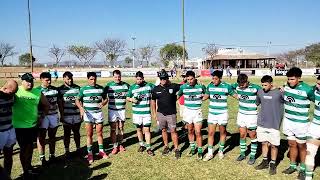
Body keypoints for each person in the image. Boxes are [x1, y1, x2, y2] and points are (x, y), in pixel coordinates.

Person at [12, 73, 49, 179]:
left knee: (30, 148)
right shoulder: (16, 91)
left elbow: (46, 105)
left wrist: (41, 117)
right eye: (27, 81)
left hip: (33, 126)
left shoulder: (38, 92)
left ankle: (29, 167)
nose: (30, 83)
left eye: (31, 81)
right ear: (21, 81)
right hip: (19, 126)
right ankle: (25, 171)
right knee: (24, 149)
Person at [282, 67, 314, 180]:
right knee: (291, 144)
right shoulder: (286, 86)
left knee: (302, 146)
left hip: (301, 123)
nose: (290, 81)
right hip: (288, 121)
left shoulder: (308, 89)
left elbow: (316, 99)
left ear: (299, 78)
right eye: (288, 79)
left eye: (292, 79)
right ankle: (292, 166)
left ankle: (303, 169)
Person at [202, 70, 237, 161]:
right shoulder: (210, 86)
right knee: (211, 133)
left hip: (223, 114)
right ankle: (210, 153)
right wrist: (198, 95)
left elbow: (236, 96)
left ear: (220, 78)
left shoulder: (226, 86)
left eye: (215, 79)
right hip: (212, 114)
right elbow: (205, 97)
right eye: (212, 78)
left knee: (222, 132)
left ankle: (220, 151)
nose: (213, 80)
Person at [75, 72, 109, 164]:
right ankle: (90, 154)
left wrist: (103, 103)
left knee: (99, 133)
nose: (93, 81)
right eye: (91, 79)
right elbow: (77, 100)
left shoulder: (101, 89)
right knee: (89, 134)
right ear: (87, 79)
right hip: (88, 114)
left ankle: (101, 151)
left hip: (98, 114)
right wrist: (81, 108)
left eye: (94, 79)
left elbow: (106, 99)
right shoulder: (83, 89)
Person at [254, 75, 284, 175]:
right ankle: (265, 161)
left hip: (274, 124)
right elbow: (257, 102)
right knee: (263, 143)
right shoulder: (260, 92)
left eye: (265, 85)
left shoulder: (279, 92)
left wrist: (282, 88)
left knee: (274, 145)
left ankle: (273, 163)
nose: (263, 87)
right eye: (262, 85)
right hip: (262, 123)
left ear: (271, 83)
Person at [151, 70, 181, 159]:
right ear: (159, 79)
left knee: (173, 131)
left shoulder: (173, 86)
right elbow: (153, 101)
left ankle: (176, 149)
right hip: (161, 113)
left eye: (165, 78)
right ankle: (166, 146)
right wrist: (154, 113)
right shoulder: (155, 89)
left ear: (168, 78)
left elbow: (184, 87)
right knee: (163, 130)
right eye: (161, 79)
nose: (163, 80)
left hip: (171, 114)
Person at [233, 74, 261, 165]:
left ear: (247, 81)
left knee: (252, 135)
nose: (241, 86)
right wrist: (235, 95)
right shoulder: (237, 86)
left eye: (243, 84)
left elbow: (265, 93)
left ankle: (252, 155)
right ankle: (242, 154)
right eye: (239, 84)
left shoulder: (255, 88)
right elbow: (228, 87)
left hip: (252, 115)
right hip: (241, 114)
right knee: (242, 134)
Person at [177, 70, 206, 160]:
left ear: (195, 78)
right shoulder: (183, 87)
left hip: (197, 111)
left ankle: (200, 151)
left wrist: (203, 96)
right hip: (187, 111)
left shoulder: (201, 86)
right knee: (190, 130)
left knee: (198, 131)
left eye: (191, 79)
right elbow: (177, 96)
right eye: (188, 79)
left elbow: (206, 95)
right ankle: (193, 149)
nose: (190, 81)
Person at [126, 71, 155, 156]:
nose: (139, 80)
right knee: (139, 129)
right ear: (135, 78)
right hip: (136, 112)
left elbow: (157, 88)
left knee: (147, 130)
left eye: (141, 79)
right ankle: (141, 144)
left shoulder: (149, 86)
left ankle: (149, 147)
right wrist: (132, 100)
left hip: (146, 112)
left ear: (143, 78)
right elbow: (127, 97)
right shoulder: (132, 87)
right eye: (137, 79)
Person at [36, 72, 60, 165]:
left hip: (54, 115)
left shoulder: (55, 90)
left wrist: (61, 114)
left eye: (50, 79)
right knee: (41, 137)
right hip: (43, 116)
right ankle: (42, 158)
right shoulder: (37, 90)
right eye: (46, 80)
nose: (49, 81)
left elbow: (59, 102)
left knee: (52, 136)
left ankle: (52, 155)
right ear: (41, 79)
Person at [105, 70, 130, 155]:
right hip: (112, 110)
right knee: (113, 128)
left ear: (121, 76)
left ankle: (120, 144)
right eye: (115, 77)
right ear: (113, 77)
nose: (117, 78)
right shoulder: (109, 85)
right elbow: (103, 95)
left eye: (119, 77)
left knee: (121, 127)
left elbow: (132, 92)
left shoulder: (126, 85)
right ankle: (115, 146)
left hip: (122, 110)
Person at [58, 71, 81, 158]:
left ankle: (78, 149)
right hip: (66, 115)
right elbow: (60, 104)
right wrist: (62, 115)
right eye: (68, 79)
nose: (70, 80)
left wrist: (81, 111)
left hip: (76, 114)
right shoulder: (60, 89)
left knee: (76, 132)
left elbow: (80, 101)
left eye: (71, 78)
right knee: (66, 133)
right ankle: (67, 151)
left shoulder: (78, 88)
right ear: (64, 79)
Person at [0, 80, 18, 178]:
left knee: (8, 156)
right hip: (0, 132)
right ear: (5, 88)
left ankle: (8, 175)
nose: (12, 95)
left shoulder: (12, 95)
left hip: (10, 129)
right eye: (11, 93)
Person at [305, 76, 320, 180]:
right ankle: (308, 177)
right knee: (309, 152)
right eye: (317, 83)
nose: (317, 86)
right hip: (316, 125)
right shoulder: (315, 91)